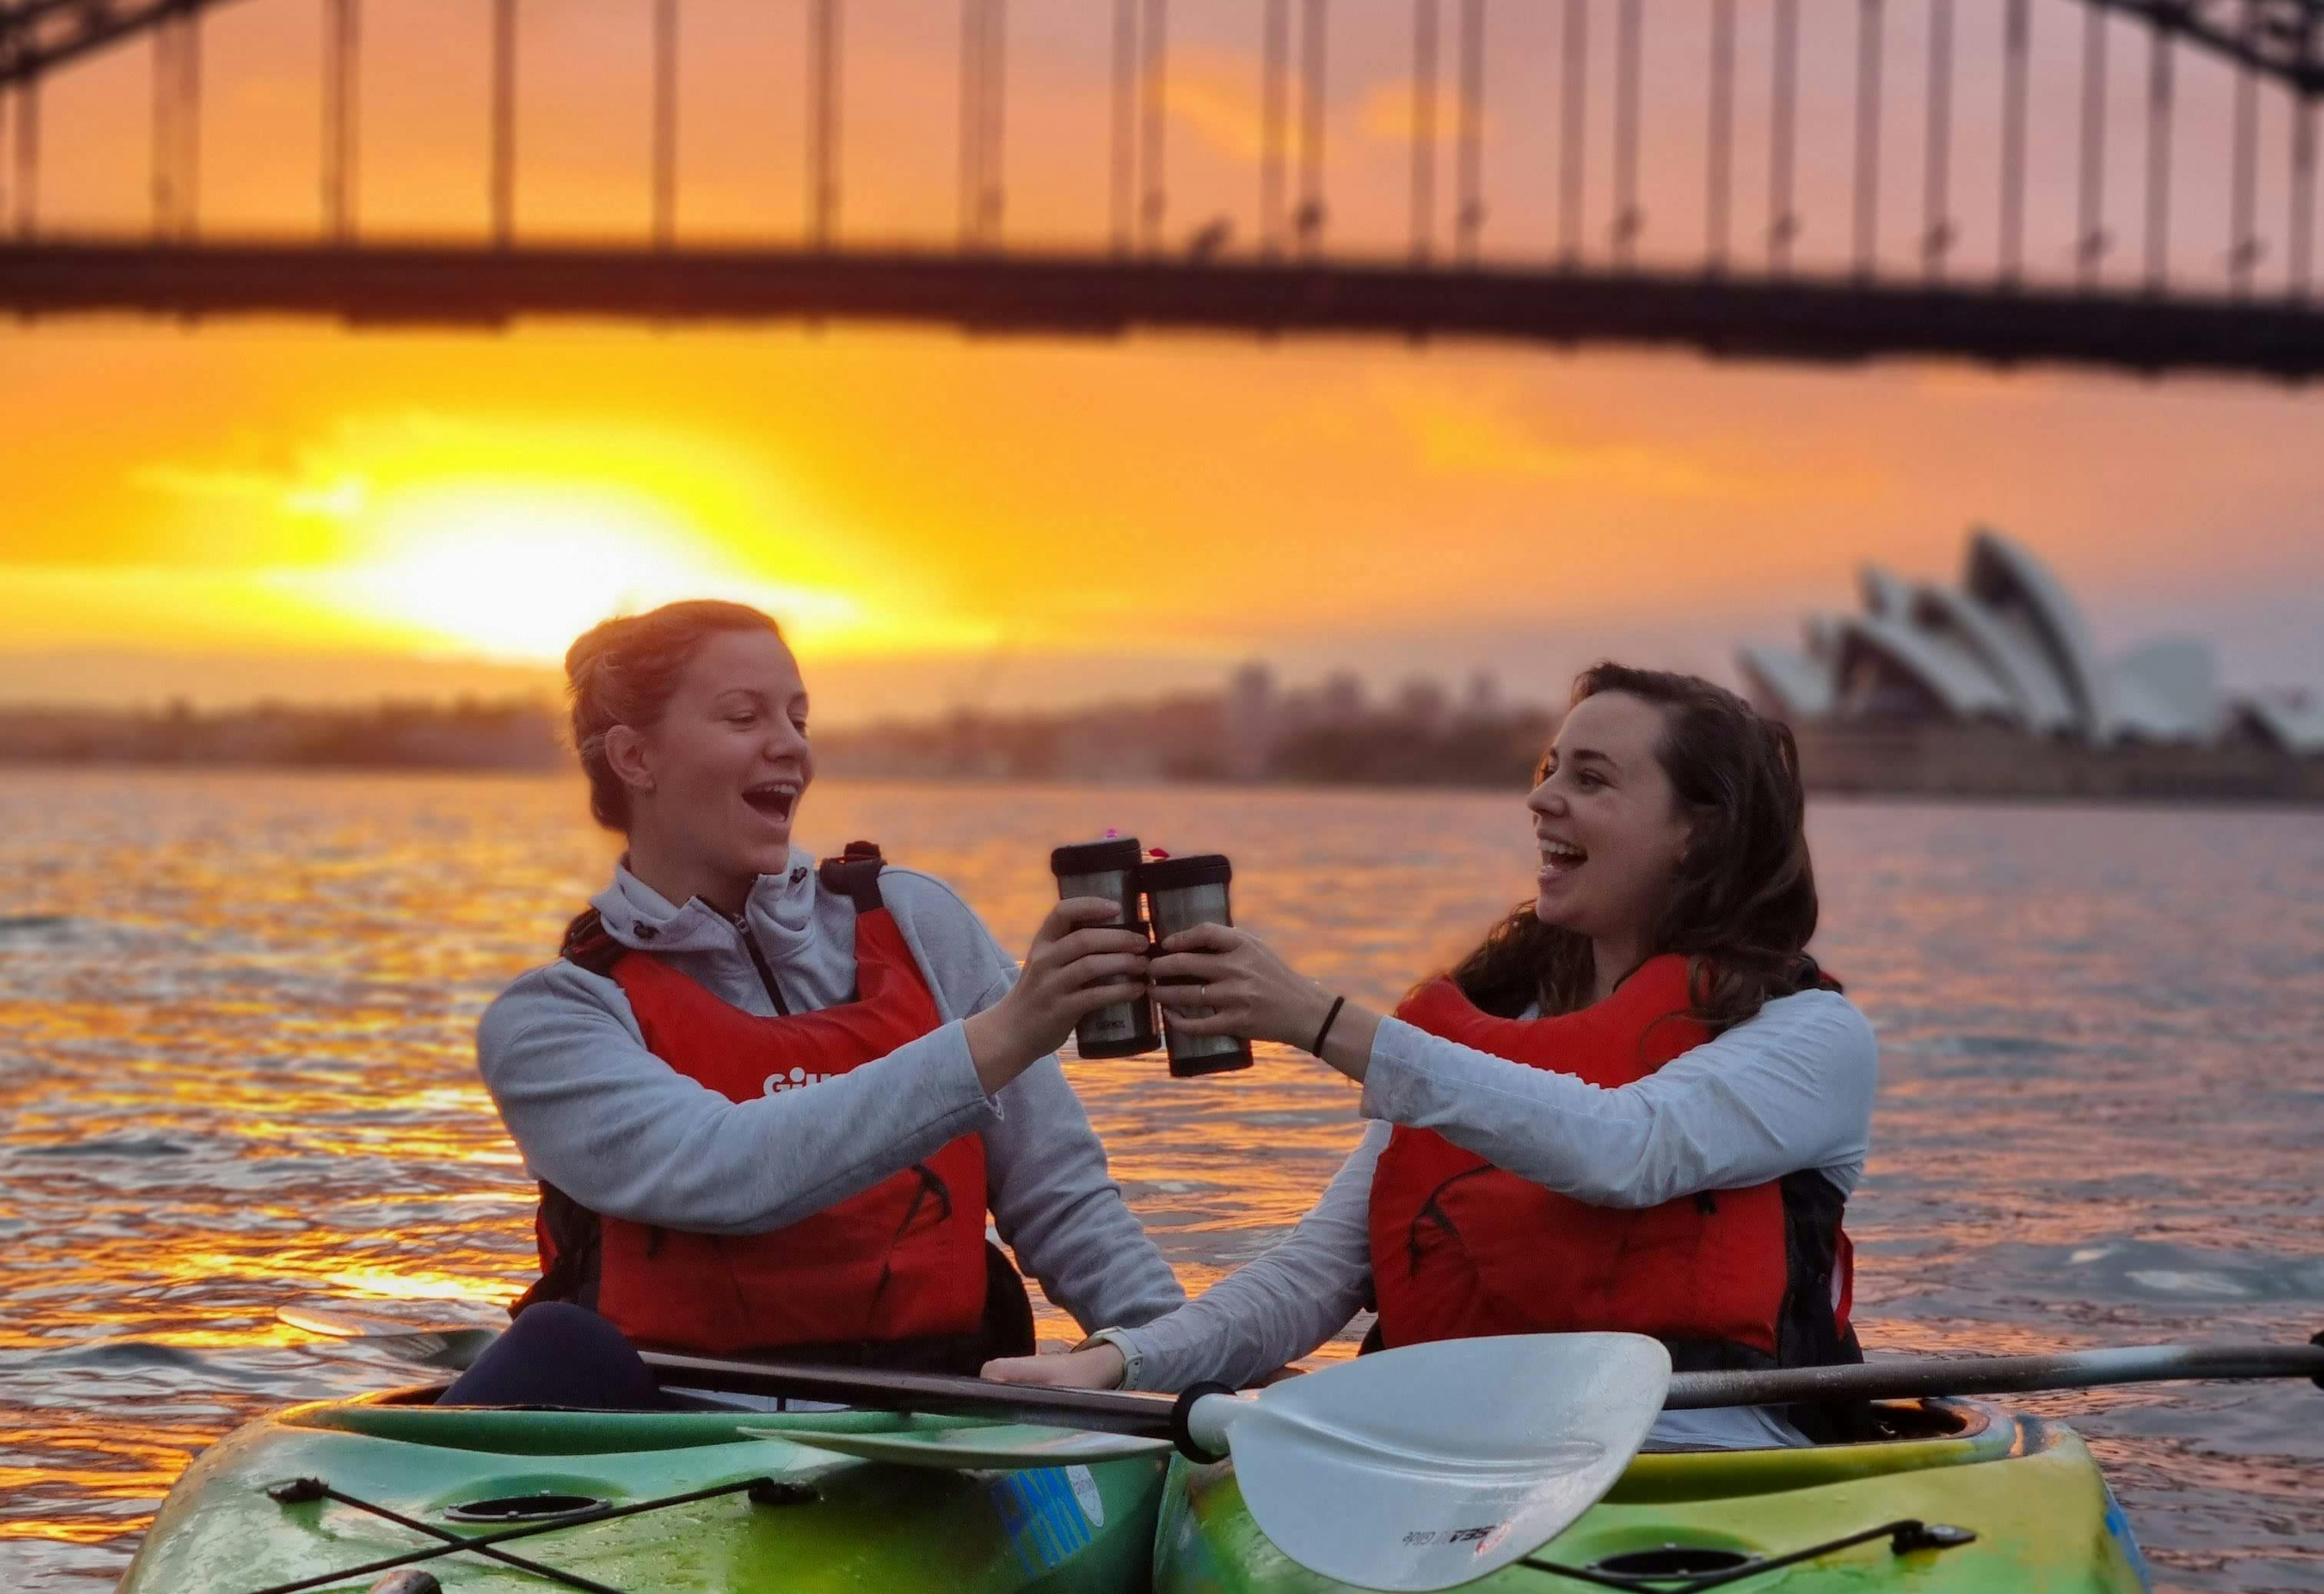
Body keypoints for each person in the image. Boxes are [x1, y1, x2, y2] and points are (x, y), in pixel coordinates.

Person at [986, 665, 1877, 1436]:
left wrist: (1318, 1020)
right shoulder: (1482, 1032)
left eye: (1591, 779)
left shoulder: (1810, 1037)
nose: (1541, 800)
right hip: (1463, 1466)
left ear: (1699, 832)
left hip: (1709, 1463)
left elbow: (1626, 1148)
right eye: (1549, 769)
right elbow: (1312, 1279)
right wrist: (1118, 1361)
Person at [462, 599, 1184, 1410]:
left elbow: (1066, 1204)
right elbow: (729, 1171)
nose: (790, 746)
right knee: (555, 1345)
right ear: (635, 757)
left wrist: (1182, 1361)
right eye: (744, 717)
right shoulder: (554, 1019)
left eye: (798, 718)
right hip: (676, 1435)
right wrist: (1004, 1035)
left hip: (934, 1414)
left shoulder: (918, 922)